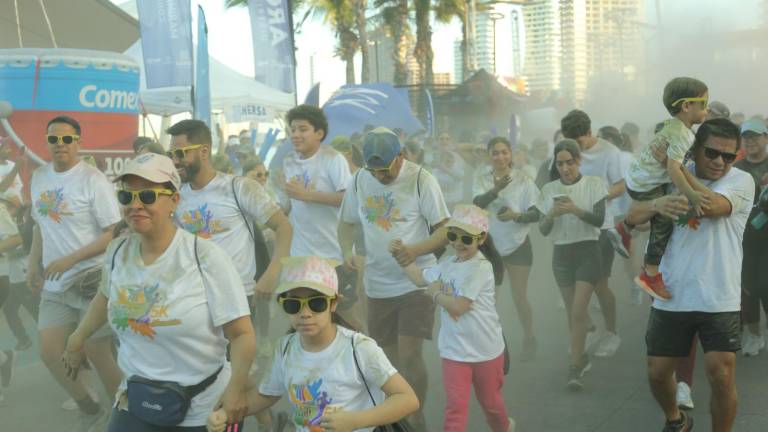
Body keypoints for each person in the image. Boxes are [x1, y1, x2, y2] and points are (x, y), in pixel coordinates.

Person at [62, 153, 256, 431]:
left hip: (202, 408)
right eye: (127, 197)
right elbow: (105, 295)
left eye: (148, 196)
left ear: (174, 200)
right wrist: (76, 338)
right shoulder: (117, 251)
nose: (135, 205)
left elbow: (242, 334)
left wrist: (236, 389)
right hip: (136, 401)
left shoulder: (205, 257)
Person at [627, 118, 754, 432]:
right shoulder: (666, 179)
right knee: (657, 373)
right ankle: (676, 419)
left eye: (728, 156)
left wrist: (677, 169)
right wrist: (658, 201)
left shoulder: (740, 181)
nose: (719, 162)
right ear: (695, 147)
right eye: (712, 153)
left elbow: (709, 206)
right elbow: (632, 216)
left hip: (718, 295)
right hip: (671, 293)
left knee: (721, 376)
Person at [207, 255, 420, 432]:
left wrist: (356, 421)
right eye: (293, 305)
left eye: (316, 303)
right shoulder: (285, 348)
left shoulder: (359, 348)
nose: (305, 313)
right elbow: (267, 394)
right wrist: (225, 413)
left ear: (334, 303)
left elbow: (407, 399)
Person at [338, 127, 450, 431]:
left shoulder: (420, 179)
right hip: (377, 285)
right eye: (373, 171)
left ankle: (416, 412)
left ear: (400, 158)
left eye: (384, 171)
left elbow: (445, 229)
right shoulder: (361, 179)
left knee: (411, 354)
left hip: (416, 281)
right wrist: (348, 251)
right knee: (388, 361)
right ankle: (399, 412)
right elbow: (345, 224)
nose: (379, 178)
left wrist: (415, 250)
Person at [168, 119, 292, 367]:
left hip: (238, 295)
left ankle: (256, 404)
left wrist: (271, 274)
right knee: (207, 368)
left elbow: (284, 227)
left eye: (181, 153)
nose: (175, 160)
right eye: (171, 154)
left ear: (204, 151)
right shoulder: (175, 195)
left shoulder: (239, 187)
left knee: (238, 370)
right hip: (196, 295)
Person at [28, 115, 123, 430]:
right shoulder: (39, 176)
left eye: (67, 139)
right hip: (55, 284)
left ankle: (123, 415)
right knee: (50, 351)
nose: (60, 145)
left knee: (97, 351)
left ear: (78, 142)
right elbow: (41, 225)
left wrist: (70, 259)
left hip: (90, 280)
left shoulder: (93, 179)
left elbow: (113, 232)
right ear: (47, 142)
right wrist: (33, 264)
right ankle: (89, 405)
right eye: (53, 139)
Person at [397, 205, 514, 432]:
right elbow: (421, 278)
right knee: (455, 408)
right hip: (454, 352)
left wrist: (436, 293)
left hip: (486, 351)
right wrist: (401, 257)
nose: (458, 242)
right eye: (453, 235)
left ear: (481, 238)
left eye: (466, 238)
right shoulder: (448, 264)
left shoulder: (481, 268)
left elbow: (459, 307)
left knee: (490, 404)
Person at [614, 77, 710, 301]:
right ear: (687, 106)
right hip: (644, 184)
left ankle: (624, 229)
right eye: (704, 104)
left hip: (639, 179)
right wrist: (693, 195)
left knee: (665, 207)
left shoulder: (673, 126)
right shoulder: (682, 133)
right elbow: (674, 169)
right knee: (666, 215)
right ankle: (650, 273)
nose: (708, 109)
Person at [537, 139, 608, 391]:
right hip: (562, 254)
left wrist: (575, 210)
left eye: (569, 162)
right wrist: (551, 214)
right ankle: (582, 355)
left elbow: (599, 220)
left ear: (579, 161)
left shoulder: (594, 184)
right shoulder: (548, 190)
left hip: (588, 250)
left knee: (578, 311)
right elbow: (543, 230)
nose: (565, 168)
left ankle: (574, 367)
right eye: (560, 164)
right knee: (572, 313)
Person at [278, 105, 357, 323]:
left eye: (302, 129)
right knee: (305, 317)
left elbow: (348, 199)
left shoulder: (332, 159)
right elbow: (289, 203)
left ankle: (362, 354)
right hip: (301, 255)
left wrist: (307, 195)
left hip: (333, 254)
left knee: (345, 318)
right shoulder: (288, 161)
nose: (295, 135)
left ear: (319, 133)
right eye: (292, 129)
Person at [560, 110, 623, 358]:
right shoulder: (564, 150)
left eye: (580, 142)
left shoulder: (610, 152)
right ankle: (587, 330)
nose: (576, 149)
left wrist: (597, 195)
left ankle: (612, 332)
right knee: (572, 288)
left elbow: (620, 185)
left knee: (599, 285)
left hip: (601, 227)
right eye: (570, 142)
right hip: (571, 226)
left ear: (589, 132)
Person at [473, 137, 541, 361]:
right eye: (495, 153)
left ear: (511, 154)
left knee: (519, 297)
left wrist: (515, 215)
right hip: (490, 246)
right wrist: (495, 189)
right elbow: (477, 203)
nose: (500, 157)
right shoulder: (482, 177)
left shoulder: (523, 180)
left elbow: (536, 213)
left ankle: (530, 336)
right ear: (488, 155)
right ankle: (494, 346)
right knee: (489, 300)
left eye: (504, 152)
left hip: (519, 243)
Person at [733, 118, 768, 357]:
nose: (751, 141)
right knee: (747, 287)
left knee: (765, 285)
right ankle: (754, 334)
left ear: (766, 137)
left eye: (755, 136)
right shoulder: (737, 168)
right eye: (746, 137)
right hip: (743, 236)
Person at [431, 131, 468, 210]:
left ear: (451, 141)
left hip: (456, 198)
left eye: (447, 139)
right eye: (441, 138)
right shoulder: (432, 156)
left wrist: (445, 169)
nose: (445, 141)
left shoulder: (458, 157)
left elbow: (462, 177)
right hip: (439, 198)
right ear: (437, 141)